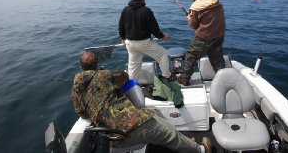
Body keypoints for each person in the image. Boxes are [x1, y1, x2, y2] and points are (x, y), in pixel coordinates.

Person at [72, 52, 211, 153]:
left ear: (80, 67)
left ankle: (183, 143)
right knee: (169, 134)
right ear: (97, 64)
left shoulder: (76, 88)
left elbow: (81, 112)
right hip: (127, 128)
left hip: (108, 132)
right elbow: (124, 77)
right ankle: (201, 149)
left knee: (155, 112)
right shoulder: (104, 74)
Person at [118, 0, 176, 81]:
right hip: (144, 43)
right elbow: (154, 29)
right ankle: (167, 76)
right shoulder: (146, 11)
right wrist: (162, 36)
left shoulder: (125, 10)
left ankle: (131, 86)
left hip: (130, 44)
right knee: (163, 54)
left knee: (133, 66)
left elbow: (121, 26)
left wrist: (122, 38)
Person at [177, 0, 226, 86]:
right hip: (219, 34)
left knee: (191, 54)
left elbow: (193, 26)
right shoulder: (214, 0)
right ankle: (224, 79)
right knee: (216, 57)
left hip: (205, 36)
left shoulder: (195, 7)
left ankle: (184, 78)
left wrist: (189, 18)